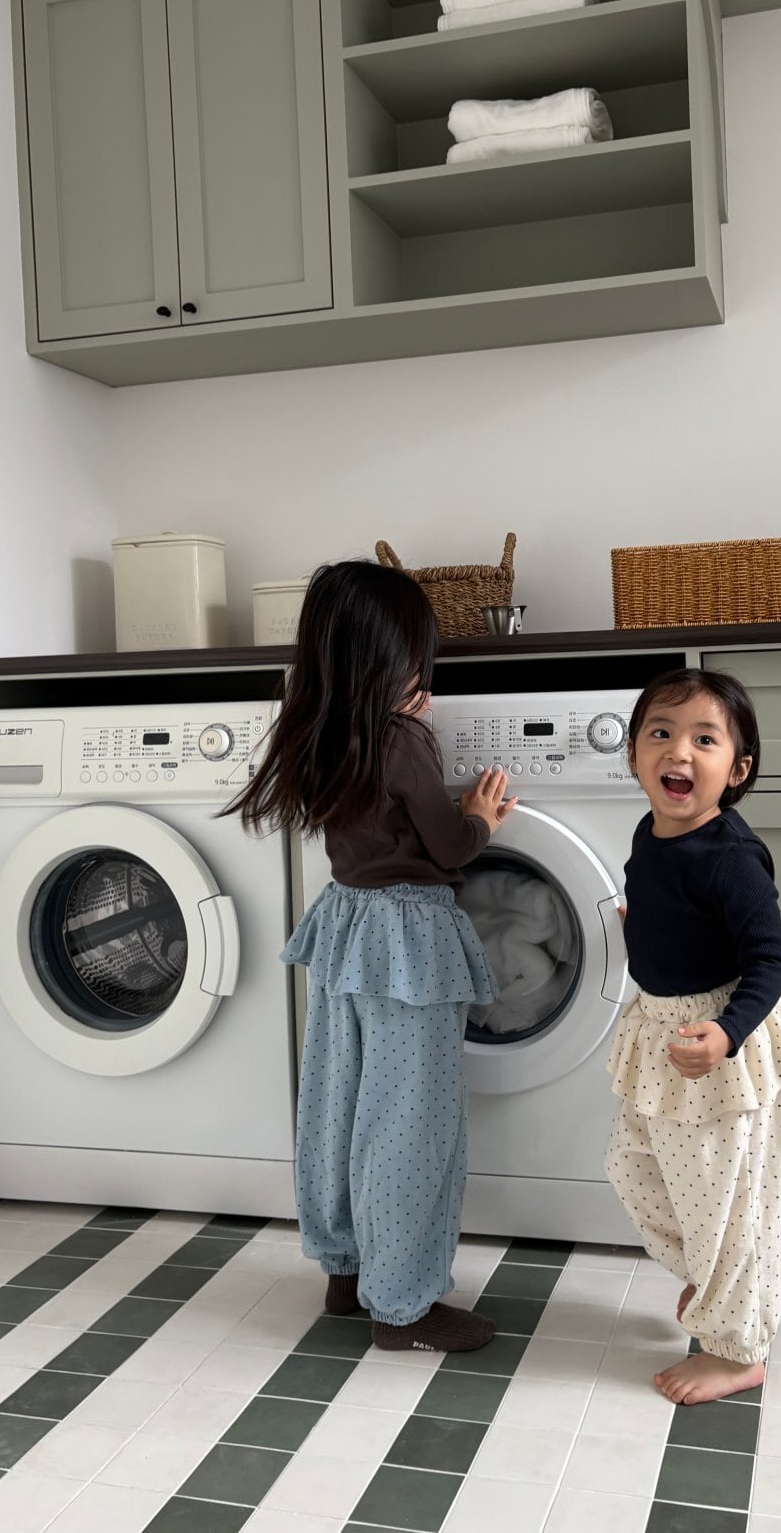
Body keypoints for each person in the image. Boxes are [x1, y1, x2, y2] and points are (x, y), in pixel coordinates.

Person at [225, 559, 515, 1352]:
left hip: (347, 927)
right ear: (391, 657)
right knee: (409, 1123)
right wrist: (480, 816)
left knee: (340, 1105)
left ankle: (347, 1271)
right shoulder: (404, 739)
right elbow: (448, 845)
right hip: (410, 944)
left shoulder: (316, 730)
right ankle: (404, 1304)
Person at [604, 668, 781, 1403]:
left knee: (727, 1205)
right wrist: (644, 928)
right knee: (633, 1166)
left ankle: (737, 1350)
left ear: (736, 771)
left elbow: (772, 959)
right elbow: (673, 909)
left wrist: (726, 1035)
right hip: (661, 1030)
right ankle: (712, 1283)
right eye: (661, 733)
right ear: (634, 754)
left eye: (705, 739)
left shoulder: (732, 856)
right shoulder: (650, 833)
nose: (679, 751)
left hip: (721, 1042)